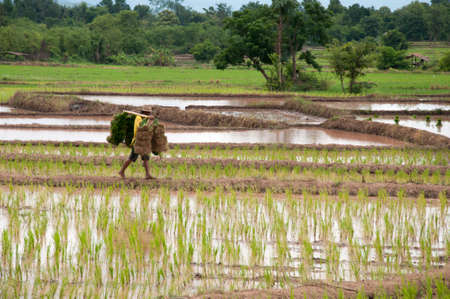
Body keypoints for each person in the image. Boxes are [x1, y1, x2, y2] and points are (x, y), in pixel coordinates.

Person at [119, 108, 155, 179]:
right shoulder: (138, 118)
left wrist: (150, 121)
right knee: (132, 158)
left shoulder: (144, 119)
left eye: (149, 113)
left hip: (143, 141)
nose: (149, 115)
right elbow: (142, 128)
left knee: (146, 157)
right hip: (137, 141)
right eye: (148, 113)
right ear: (144, 112)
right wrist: (149, 121)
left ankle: (147, 174)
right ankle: (121, 171)